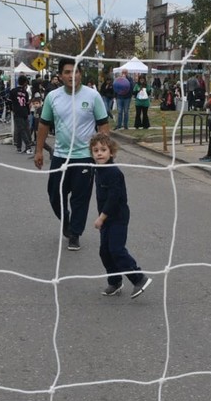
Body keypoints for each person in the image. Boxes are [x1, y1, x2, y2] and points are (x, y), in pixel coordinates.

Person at [34, 58, 110, 251]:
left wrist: (102, 152)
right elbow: (43, 124)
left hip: (84, 157)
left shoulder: (93, 96)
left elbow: (103, 124)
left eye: (75, 72)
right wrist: (38, 151)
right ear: (60, 75)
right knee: (54, 195)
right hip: (60, 155)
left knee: (80, 198)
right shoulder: (53, 97)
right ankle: (67, 222)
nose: (72, 76)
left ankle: (75, 233)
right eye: (67, 72)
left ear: (80, 74)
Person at [90, 132, 153, 298]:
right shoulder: (98, 169)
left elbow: (113, 199)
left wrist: (101, 218)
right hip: (106, 218)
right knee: (105, 251)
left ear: (112, 153)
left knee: (116, 250)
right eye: (95, 150)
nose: (99, 153)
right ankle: (115, 282)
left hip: (117, 217)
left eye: (103, 150)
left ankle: (139, 278)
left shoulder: (113, 173)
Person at [8, 75, 32, 153]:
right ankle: (19, 147)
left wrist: (11, 109)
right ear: (25, 83)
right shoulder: (25, 92)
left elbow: (9, 101)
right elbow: (27, 104)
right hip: (24, 111)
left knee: (21, 129)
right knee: (23, 129)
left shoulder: (13, 91)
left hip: (17, 112)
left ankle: (28, 146)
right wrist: (28, 112)